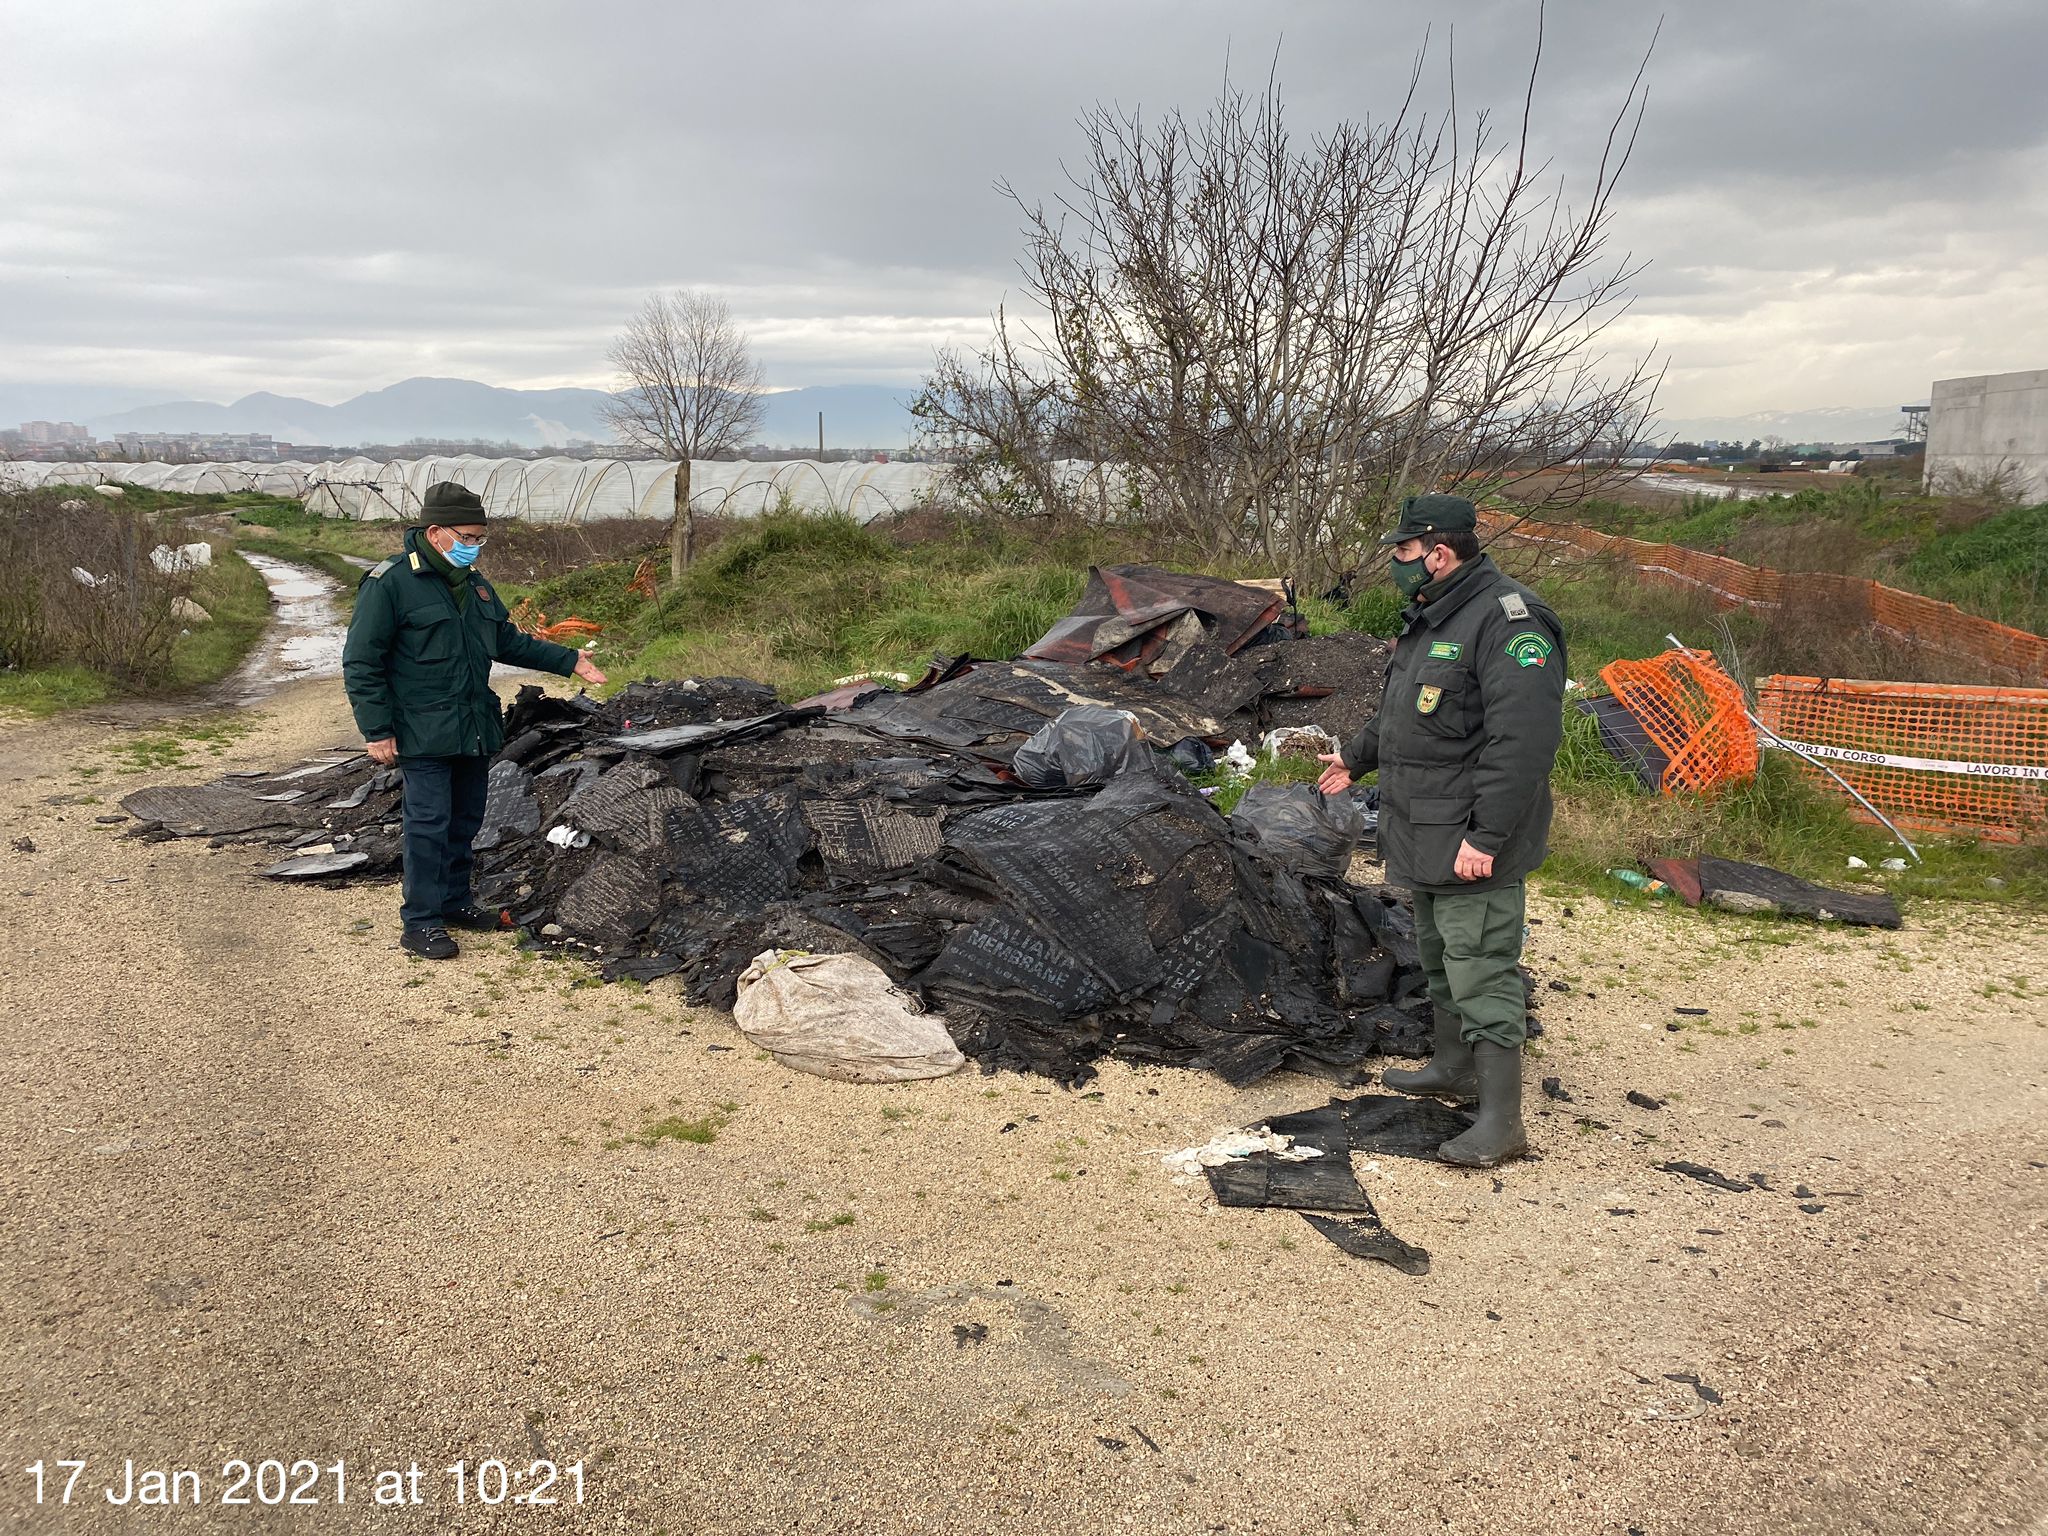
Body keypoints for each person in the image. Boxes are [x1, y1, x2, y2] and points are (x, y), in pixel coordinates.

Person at [1317, 493, 1565, 1167]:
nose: (1395, 564)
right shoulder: (1436, 614)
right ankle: (1453, 1070)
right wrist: (1354, 756)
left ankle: (1501, 1121)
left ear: (1438, 553)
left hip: (1468, 838)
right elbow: (1404, 710)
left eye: (1401, 553)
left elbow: (1524, 745)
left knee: (1481, 966)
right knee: (1440, 958)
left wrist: (1487, 837)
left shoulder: (1510, 623)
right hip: (1424, 829)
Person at [341, 481, 607, 960]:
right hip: (420, 729)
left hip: (472, 726)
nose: (475, 546)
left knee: (465, 819)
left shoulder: (476, 585)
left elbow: (508, 641)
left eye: (481, 538)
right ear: (437, 531)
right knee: (428, 823)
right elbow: (362, 661)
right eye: (468, 537)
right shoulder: (391, 583)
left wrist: (569, 660)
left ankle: (455, 902)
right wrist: (376, 729)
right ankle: (420, 921)